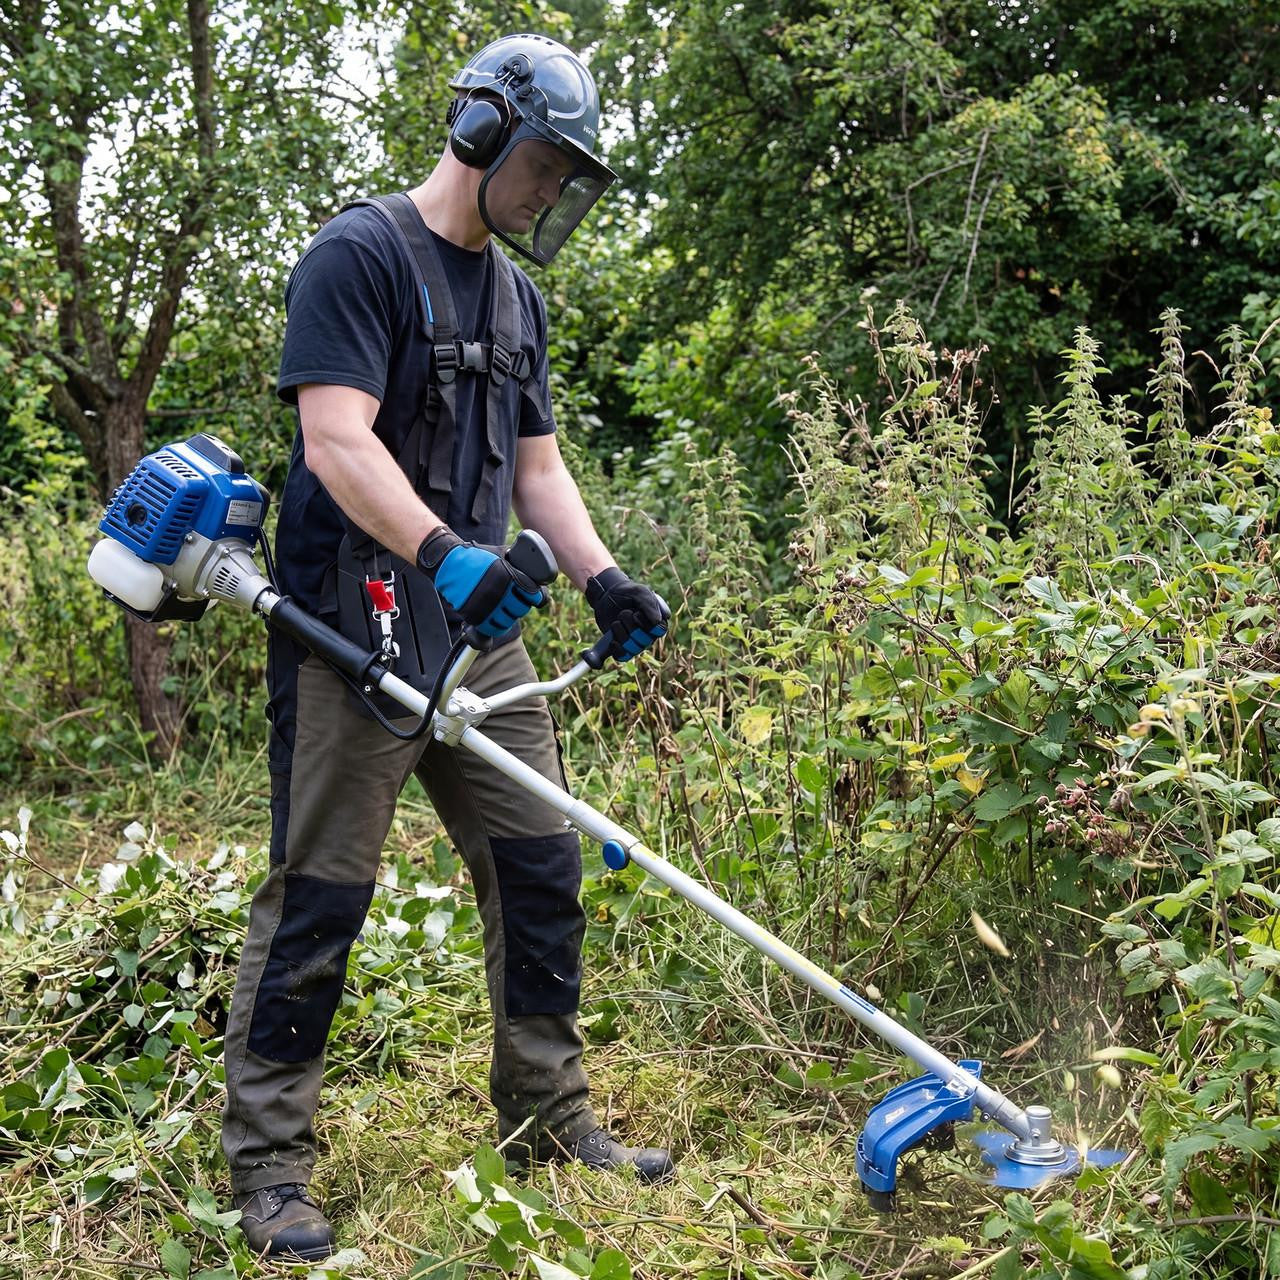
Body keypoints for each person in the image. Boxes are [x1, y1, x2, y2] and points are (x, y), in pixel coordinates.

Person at [219, 33, 674, 1262]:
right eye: (540, 167)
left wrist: (601, 575)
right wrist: (444, 554)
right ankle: (267, 1167)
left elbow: (537, 468)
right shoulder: (356, 256)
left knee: (540, 871)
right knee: (320, 896)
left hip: (484, 642)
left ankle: (546, 1113)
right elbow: (336, 441)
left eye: (566, 178)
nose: (547, 195)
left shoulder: (516, 297)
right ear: (479, 134)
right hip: (353, 626)